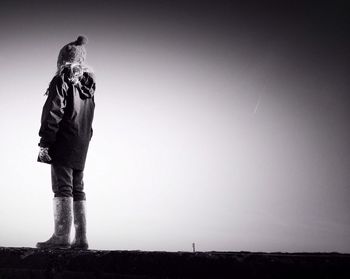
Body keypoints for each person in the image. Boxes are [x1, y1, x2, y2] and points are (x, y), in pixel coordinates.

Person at [36, 35, 96, 249]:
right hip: (81, 143)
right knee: (77, 188)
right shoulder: (89, 86)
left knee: (62, 187)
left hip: (62, 140)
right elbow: (89, 118)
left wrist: (45, 142)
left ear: (63, 58)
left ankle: (61, 237)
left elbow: (54, 111)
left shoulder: (61, 80)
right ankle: (81, 239)